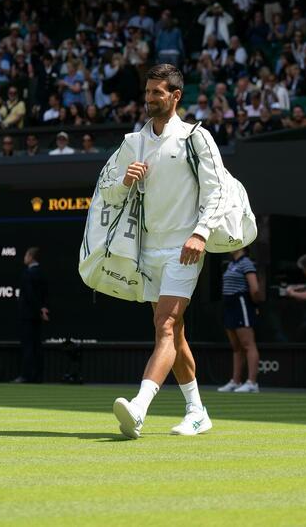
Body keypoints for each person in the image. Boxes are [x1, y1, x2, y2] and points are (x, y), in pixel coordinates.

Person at [104, 63, 225, 439]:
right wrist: (124, 181)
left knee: (166, 326)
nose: (150, 99)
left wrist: (201, 233)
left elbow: (217, 189)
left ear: (175, 96)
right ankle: (197, 411)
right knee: (175, 334)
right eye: (147, 92)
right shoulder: (132, 143)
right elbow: (107, 193)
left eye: (158, 93)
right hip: (149, 250)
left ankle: (139, 408)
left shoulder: (196, 138)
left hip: (185, 247)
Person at [216, 248, 263, 394]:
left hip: (241, 304)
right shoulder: (231, 264)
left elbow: (254, 289)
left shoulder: (246, 263)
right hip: (229, 305)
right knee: (236, 346)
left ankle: (252, 383)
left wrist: (254, 305)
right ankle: (236, 381)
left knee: (248, 344)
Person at [13, 247, 49, 383]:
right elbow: (44, 294)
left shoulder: (28, 274)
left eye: (26, 255)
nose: (24, 258)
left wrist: (39, 308)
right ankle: (37, 376)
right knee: (36, 346)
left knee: (28, 346)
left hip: (28, 315)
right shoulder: (42, 273)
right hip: (37, 316)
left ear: (31, 257)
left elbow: (30, 295)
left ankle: (26, 375)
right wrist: (43, 309)